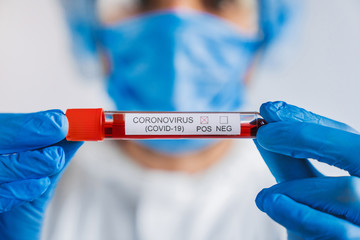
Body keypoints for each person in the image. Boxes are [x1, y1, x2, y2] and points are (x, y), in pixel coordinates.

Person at [2, 1, 359, 240]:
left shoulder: (328, 205)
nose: (176, 29)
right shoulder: (20, 197)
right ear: (94, 32)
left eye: (218, 1)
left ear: (265, 32)